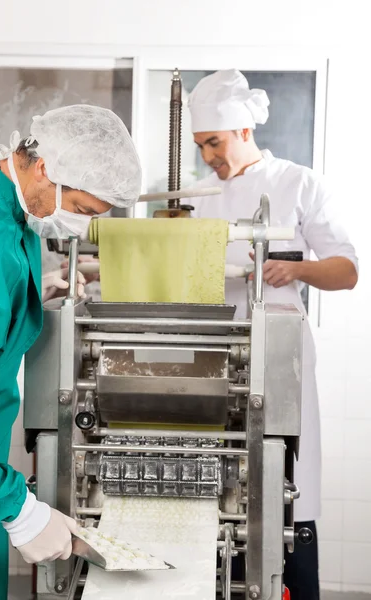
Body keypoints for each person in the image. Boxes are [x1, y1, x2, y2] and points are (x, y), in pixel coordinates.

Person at [0, 104, 141, 600]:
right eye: (84, 210)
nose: (78, 226)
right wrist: (19, 511)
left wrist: (28, 295)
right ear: (46, 167)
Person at [186, 70, 358, 600]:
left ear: (241, 130)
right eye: (199, 146)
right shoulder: (195, 197)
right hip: (212, 351)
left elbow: (347, 271)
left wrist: (299, 270)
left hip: (277, 353)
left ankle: (295, 582)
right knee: (217, 478)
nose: (208, 156)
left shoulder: (298, 182)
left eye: (213, 142)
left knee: (284, 477)